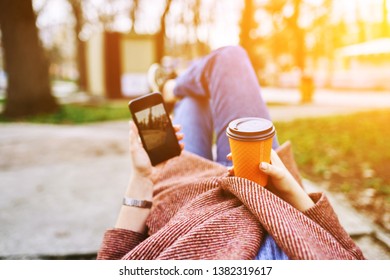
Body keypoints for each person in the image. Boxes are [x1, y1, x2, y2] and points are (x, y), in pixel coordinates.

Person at [97, 46, 365, 260]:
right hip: (264, 183)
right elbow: (348, 255)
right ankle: (174, 87)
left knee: (194, 99)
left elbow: (114, 259)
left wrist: (142, 178)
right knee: (228, 60)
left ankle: (174, 88)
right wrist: (292, 191)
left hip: (183, 192)